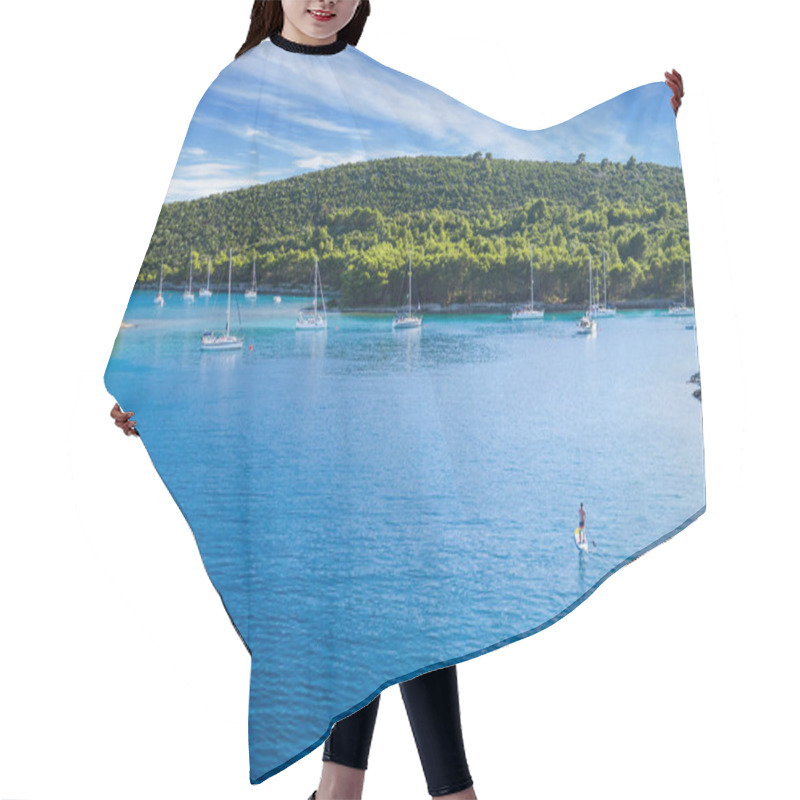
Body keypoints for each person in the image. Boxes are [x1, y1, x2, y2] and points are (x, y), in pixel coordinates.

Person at [109, 2, 686, 797]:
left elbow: (515, 154)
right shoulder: (237, 91)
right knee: (385, 587)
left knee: (399, 584)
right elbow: (165, 248)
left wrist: (643, 124)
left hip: (382, 417)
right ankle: (431, 793)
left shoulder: (380, 92)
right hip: (307, 428)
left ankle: (352, 791)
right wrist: (147, 388)